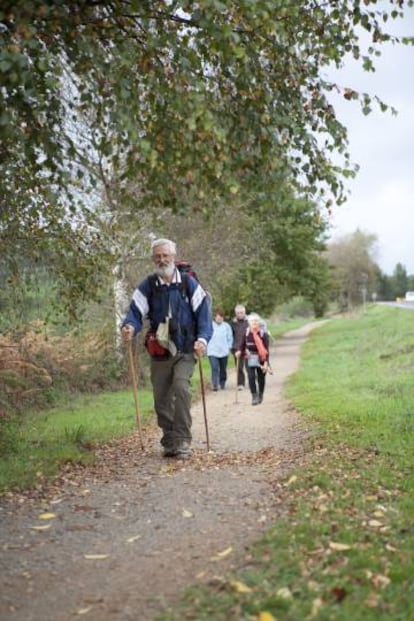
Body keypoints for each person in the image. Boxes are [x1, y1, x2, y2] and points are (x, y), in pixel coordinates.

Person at [121, 238, 213, 459]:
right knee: (161, 398)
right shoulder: (149, 285)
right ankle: (170, 440)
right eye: (158, 256)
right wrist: (129, 327)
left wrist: (202, 339)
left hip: (185, 348)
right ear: (153, 258)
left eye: (165, 255)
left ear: (173, 256)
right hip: (160, 349)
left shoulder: (188, 283)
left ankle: (182, 440)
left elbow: (204, 315)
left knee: (181, 388)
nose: (162, 260)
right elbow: (135, 311)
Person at [235, 313, 270, 406]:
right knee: (251, 377)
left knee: (261, 377)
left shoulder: (263, 334)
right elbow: (242, 345)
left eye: (256, 321)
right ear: (249, 323)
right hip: (249, 357)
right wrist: (239, 351)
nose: (254, 322)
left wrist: (266, 362)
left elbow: (266, 350)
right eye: (252, 321)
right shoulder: (246, 333)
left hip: (261, 358)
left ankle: (260, 394)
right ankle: (254, 396)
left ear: (258, 322)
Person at [207, 310, 234, 391]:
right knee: (214, 367)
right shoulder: (210, 325)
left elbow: (230, 338)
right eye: (218, 317)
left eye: (221, 317)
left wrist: (228, 347)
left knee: (223, 368)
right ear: (215, 317)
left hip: (224, 351)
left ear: (223, 318)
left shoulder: (226, 326)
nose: (219, 319)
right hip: (212, 351)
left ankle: (222, 382)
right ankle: (215, 384)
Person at [231, 304, 249, 390]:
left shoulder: (249, 322)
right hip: (237, 347)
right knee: (239, 367)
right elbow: (230, 336)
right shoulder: (232, 323)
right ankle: (240, 383)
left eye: (241, 312)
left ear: (244, 312)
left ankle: (253, 381)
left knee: (250, 366)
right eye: (238, 313)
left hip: (248, 347)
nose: (240, 314)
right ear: (235, 313)